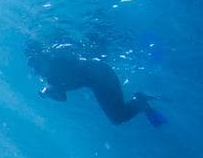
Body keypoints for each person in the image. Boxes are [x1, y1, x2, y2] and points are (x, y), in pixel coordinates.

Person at [26, 43, 166, 127]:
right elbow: (62, 96)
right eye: (33, 68)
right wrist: (47, 91)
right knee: (117, 118)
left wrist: (47, 91)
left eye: (36, 64)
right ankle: (140, 102)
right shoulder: (52, 75)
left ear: (44, 57)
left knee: (117, 118)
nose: (36, 70)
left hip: (102, 78)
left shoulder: (57, 66)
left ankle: (140, 102)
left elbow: (61, 95)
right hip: (100, 77)